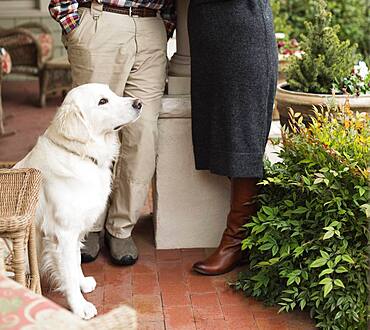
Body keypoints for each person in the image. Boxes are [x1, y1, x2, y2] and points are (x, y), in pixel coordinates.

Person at [49, 0, 176, 265]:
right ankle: (90, 226)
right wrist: (75, 24)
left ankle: (121, 226)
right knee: (90, 129)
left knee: (143, 134)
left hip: (151, 25)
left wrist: (164, 23)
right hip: (100, 21)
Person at [188, 0, 278, 275]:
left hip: (244, 33)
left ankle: (236, 241)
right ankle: (250, 234)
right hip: (208, 35)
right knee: (221, 132)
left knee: (243, 136)